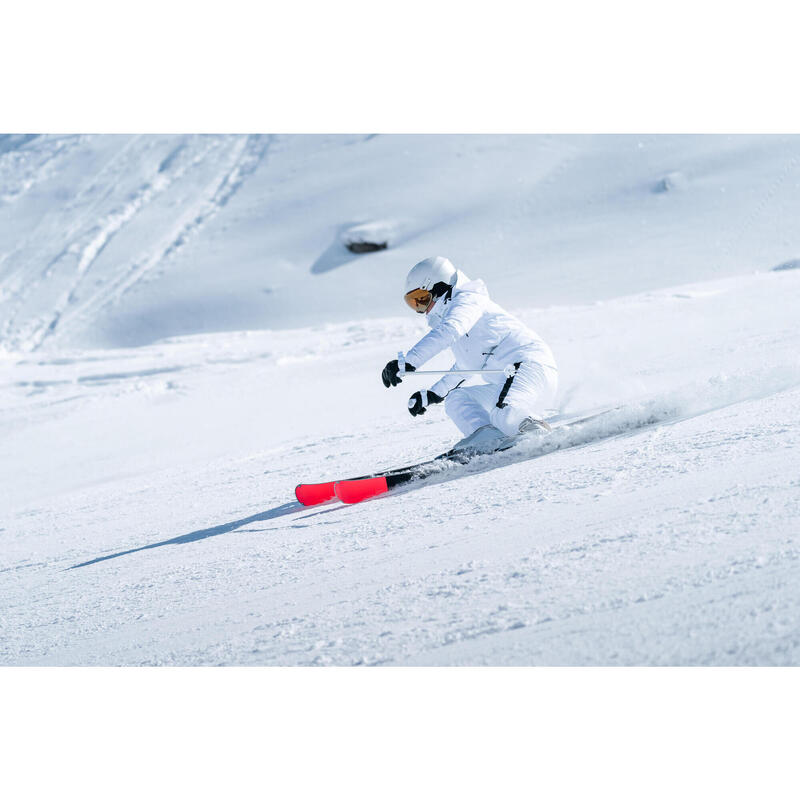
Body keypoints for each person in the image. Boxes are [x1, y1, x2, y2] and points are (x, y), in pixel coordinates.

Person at [381, 256, 558, 453]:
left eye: (422, 299)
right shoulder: (455, 319)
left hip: (531, 367)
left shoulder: (468, 300)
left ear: (439, 288)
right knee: (457, 400)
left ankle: (535, 429)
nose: (421, 309)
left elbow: (450, 330)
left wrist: (409, 362)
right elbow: (465, 365)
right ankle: (489, 439)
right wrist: (432, 394)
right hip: (508, 382)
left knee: (504, 413)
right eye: (414, 303)